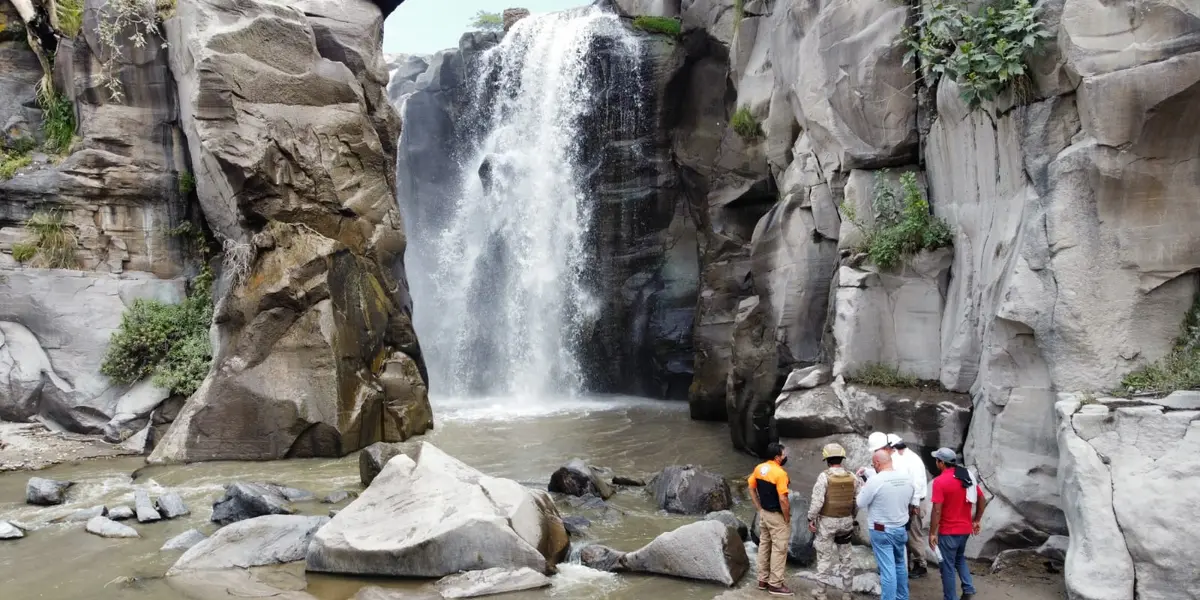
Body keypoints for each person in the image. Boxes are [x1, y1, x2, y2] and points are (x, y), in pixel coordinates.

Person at [929, 448, 988, 600]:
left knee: (947, 566)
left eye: (937, 460)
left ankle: (951, 598)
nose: (936, 462)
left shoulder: (940, 481)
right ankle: (968, 589)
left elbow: (937, 510)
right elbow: (982, 499)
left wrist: (932, 533)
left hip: (948, 531)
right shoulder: (966, 476)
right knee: (959, 558)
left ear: (941, 463)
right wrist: (977, 520)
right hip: (965, 530)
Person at [856, 448, 913, 600]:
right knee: (900, 565)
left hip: (881, 531)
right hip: (900, 529)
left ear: (877, 463)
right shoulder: (906, 477)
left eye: (873, 464)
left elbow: (860, 502)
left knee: (888, 570)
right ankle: (902, 597)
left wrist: (862, 487)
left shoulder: (875, 481)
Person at [806, 443, 860, 600]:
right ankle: (847, 593)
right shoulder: (852, 476)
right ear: (842, 459)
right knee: (846, 557)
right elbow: (857, 501)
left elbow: (817, 502)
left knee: (824, 557)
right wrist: (852, 516)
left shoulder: (824, 477)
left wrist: (811, 518)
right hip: (846, 521)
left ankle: (821, 593)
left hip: (827, 523)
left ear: (827, 460)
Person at [749, 442, 794, 596]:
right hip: (776, 516)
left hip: (764, 514)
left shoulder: (759, 468)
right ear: (777, 457)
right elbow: (783, 499)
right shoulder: (780, 474)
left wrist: (759, 508)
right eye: (784, 454)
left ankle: (762, 580)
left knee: (764, 545)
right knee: (779, 549)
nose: (786, 456)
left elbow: (751, 487)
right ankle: (775, 584)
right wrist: (786, 517)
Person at [889, 433, 929, 578]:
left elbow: (917, 483)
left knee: (913, 534)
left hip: (914, 502)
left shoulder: (911, 459)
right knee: (905, 534)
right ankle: (906, 564)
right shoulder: (901, 457)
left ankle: (921, 564)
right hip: (906, 501)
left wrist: (914, 505)